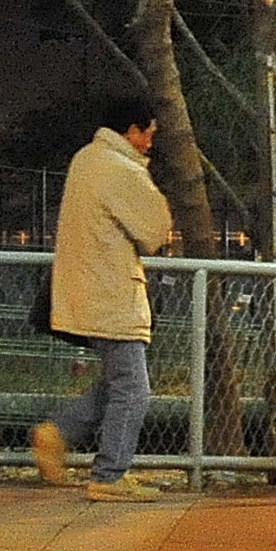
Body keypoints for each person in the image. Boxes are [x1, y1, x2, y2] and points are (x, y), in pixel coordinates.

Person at [30, 97, 175, 502]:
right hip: (111, 292)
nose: (150, 142)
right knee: (133, 387)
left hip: (86, 288)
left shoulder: (87, 160)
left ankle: (59, 432)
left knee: (118, 381)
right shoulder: (120, 169)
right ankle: (109, 475)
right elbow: (154, 231)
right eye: (148, 132)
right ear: (131, 130)